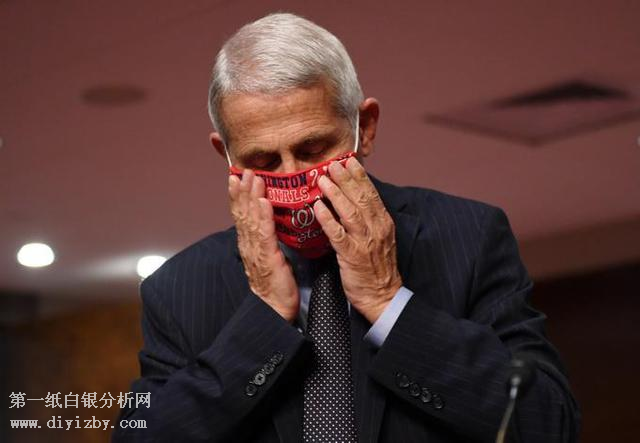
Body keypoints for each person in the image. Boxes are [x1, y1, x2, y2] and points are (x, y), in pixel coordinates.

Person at [113, 12, 579, 443]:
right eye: (263, 161)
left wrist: (388, 302)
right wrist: (263, 320)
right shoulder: (178, 288)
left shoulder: (469, 238)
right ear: (227, 155)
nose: (293, 176)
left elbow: (548, 424)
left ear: (365, 128)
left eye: (313, 149)